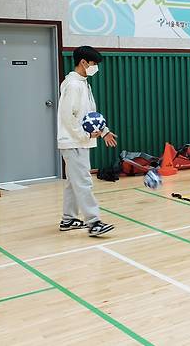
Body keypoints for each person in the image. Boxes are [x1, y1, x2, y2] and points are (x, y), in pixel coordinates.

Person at [57, 46, 118, 237]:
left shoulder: (83, 83)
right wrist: (84, 136)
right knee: (83, 181)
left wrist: (104, 131)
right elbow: (69, 116)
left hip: (79, 141)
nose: (95, 68)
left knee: (73, 183)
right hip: (74, 142)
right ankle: (94, 222)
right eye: (94, 64)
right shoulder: (73, 85)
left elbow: (89, 114)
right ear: (84, 62)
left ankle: (69, 219)